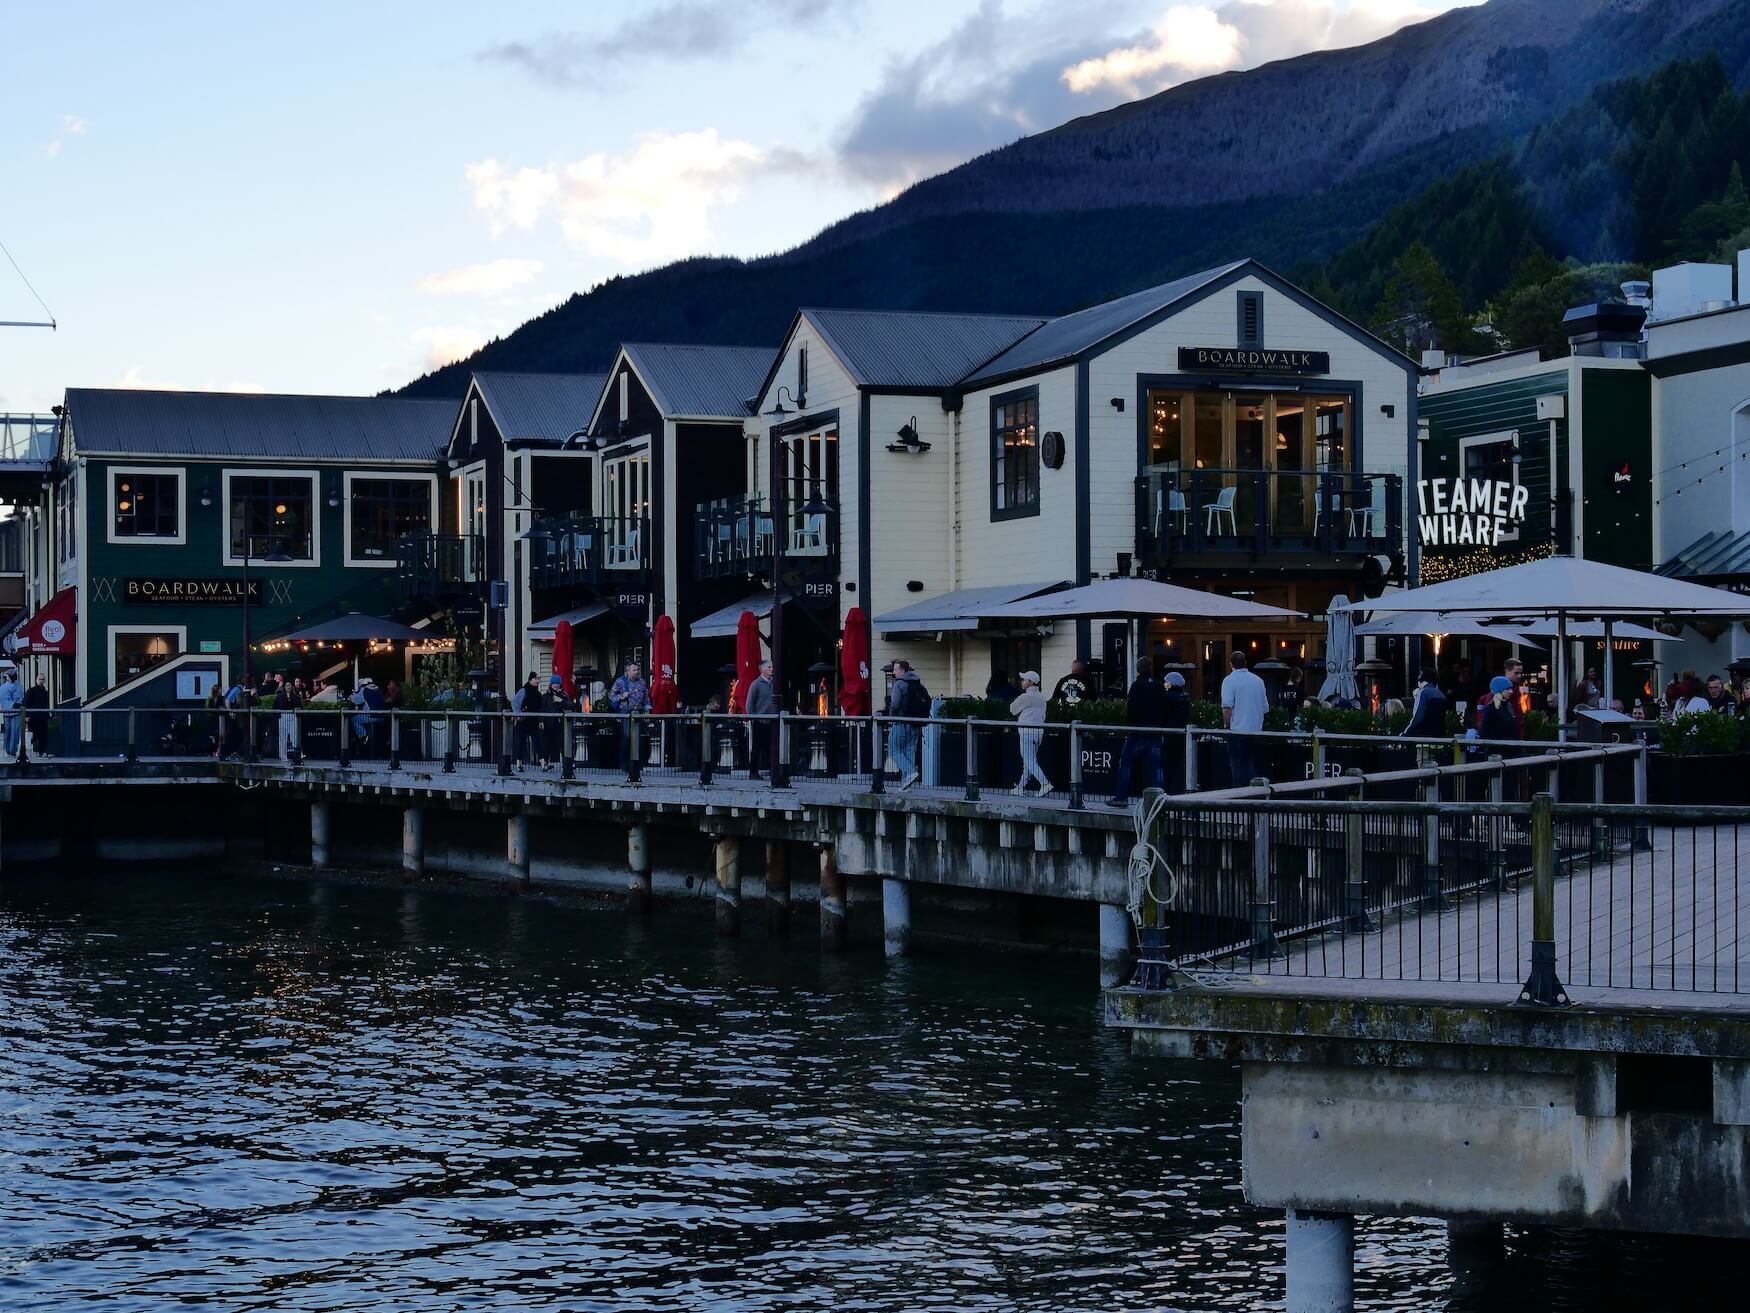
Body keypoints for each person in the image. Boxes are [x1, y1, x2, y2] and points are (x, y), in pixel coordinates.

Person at [1107, 657, 1167, 807]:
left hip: (1137, 731)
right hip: (1155, 732)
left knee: (1126, 764)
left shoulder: (1136, 686)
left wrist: (1130, 727)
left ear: (1138, 669)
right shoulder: (1159, 686)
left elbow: (1131, 710)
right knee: (1156, 768)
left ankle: (1121, 797)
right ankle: (1160, 800)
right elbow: (1165, 707)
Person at [1220, 650, 1269, 786]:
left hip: (1237, 732)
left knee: (1238, 767)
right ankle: (1255, 799)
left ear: (1231, 664)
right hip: (1256, 731)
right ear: (1245, 663)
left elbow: (1227, 708)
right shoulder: (1258, 681)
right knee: (1254, 767)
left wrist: (1226, 726)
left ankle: (1240, 799)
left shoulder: (1229, 681)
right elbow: (1265, 708)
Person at [886, 659, 928, 790]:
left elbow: (896, 704)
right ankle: (906, 785)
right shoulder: (918, 684)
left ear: (902, 671)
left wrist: (890, 717)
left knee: (893, 750)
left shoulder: (900, 684)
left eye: (896, 669)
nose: (894, 672)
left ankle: (910, 773)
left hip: (901, 722)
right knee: (909, 751)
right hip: (916, 724)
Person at [1009, 670, 1050, 795]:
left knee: (1029, 761)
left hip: (1027, 732)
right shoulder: (1042, 697)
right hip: (1038, 733)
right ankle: (1021, 787)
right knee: (1029, 761)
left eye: (1025, 679)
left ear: (1031, 682)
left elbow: (1012, 710)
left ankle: (1045, 783)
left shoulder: (1026, 696)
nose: (1022, 681)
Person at [608, 660, 650, 768]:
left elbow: (646, 698)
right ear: (628, 671)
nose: (636, 672)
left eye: (637, 670)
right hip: (625, 713)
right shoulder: (620, 681)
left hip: (639, 713)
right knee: (627, 737)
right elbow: (611, 696)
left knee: (638, 738)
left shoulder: (642, 682)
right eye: (634, 670)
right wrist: (621, 696)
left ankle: (637, 763)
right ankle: (624, 763)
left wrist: (647, 710)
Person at [742, 658, 776, 778]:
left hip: (772, 720)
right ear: (762, 669)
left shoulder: (774, 684)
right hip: (759, 720)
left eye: (772, 667)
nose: (771, 669)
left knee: (772, 746)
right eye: (769, 667)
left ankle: (774, 770)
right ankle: (753, 772)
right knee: (757, 747)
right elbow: (749, 703)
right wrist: (753, 718)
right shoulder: (755, 684)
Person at [509, 672, 543, 768]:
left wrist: (540, 720)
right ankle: (519, 763)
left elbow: (540, 708)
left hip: (533, 720)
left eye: (538, 679)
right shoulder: (524, 691)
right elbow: (515, 702)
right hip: (523, 721)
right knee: (521, 742)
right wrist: (518, 714)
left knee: (537, 742)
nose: (537, 681)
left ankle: (543, 763)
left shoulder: (538, 693)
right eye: (535, 679)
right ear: (530, 680)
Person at [1402, 668, 1448, 739]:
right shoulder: (1441, 695)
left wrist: (1406, 732)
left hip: (1424, 737)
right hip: (1440, 736)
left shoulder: (1423, 693)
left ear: (1421, 680)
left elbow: (1417, 717)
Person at [350, 677, 385, 757]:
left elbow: (356, 700)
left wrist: (352, 695)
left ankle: (363, 735)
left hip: (371, 716)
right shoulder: (379, 690)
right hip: (382, 717)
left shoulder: (364, 690)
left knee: (353, 719)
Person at [1480, 675, 1518, 742]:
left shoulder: (1508, 706)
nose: (1511, 691)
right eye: (1508, 689)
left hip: (1510, 749)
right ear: (1500, 690)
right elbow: (1484, 733)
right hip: (1496, 750)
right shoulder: (1490, 709)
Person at [274, 673, 302, 761]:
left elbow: (299, 706)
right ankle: (283, 755)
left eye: (290, 685)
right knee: (283, 737)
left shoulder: (296, 697)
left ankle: (297, 754)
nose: (288, 687)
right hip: (282, 717)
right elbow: (275, 707)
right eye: (286, 685)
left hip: (293, 717)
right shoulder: (280, 696)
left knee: (294, 736)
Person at [24, 675, 52, 757]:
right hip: (34, 716)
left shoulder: (45, 692)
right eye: (39, 679)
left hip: (43, 716)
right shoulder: (31, 691)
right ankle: (38, 749)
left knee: (43, 734)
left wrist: (48, 714)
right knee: (36, 733)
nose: (41, 681)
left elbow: (46, 704)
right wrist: (27, 716)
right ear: (36, 680)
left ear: (45, 681)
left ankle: (42, 751)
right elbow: (27, 703)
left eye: (43, 679)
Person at [0, 669, 22, 759]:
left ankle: (7, 750)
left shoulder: (2, 687)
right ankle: (13, 750)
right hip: (16, 711)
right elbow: (20, 698)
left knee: (7, 732)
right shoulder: (19, 686)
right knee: (15, 732)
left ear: (8, 677)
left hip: (6, 711)